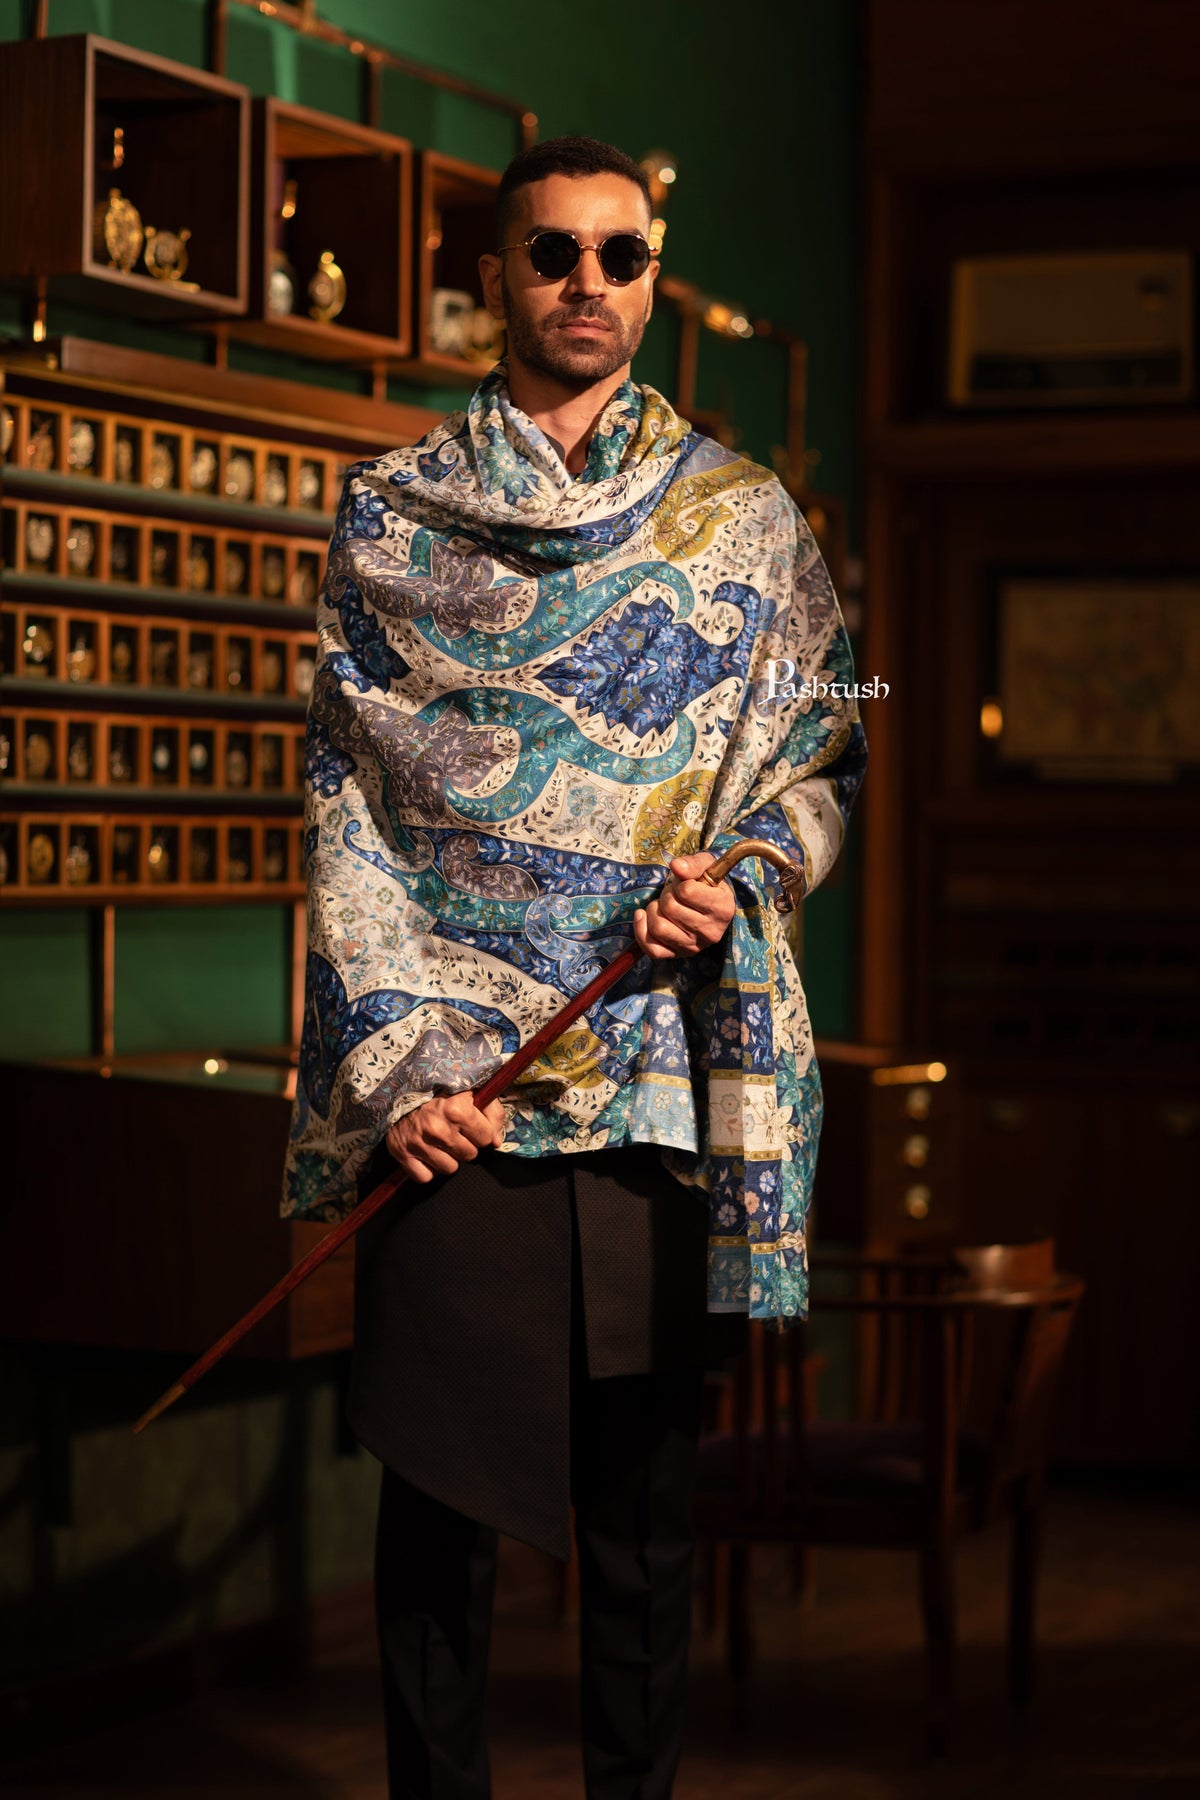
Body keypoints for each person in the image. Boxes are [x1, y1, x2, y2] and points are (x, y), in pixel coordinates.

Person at [282, 135, 867, 1799]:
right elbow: (346, 814)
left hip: (656, 1075)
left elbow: (838, 737)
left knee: (641, 1527)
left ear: (653, 279)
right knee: (438, 1515)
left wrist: (745, 875)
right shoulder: (393, 515)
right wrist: (402, 1067)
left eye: (621, 256)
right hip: (456, 1092)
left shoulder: (745, 520)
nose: (587, 284)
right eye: (553, 254)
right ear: (496, 277)